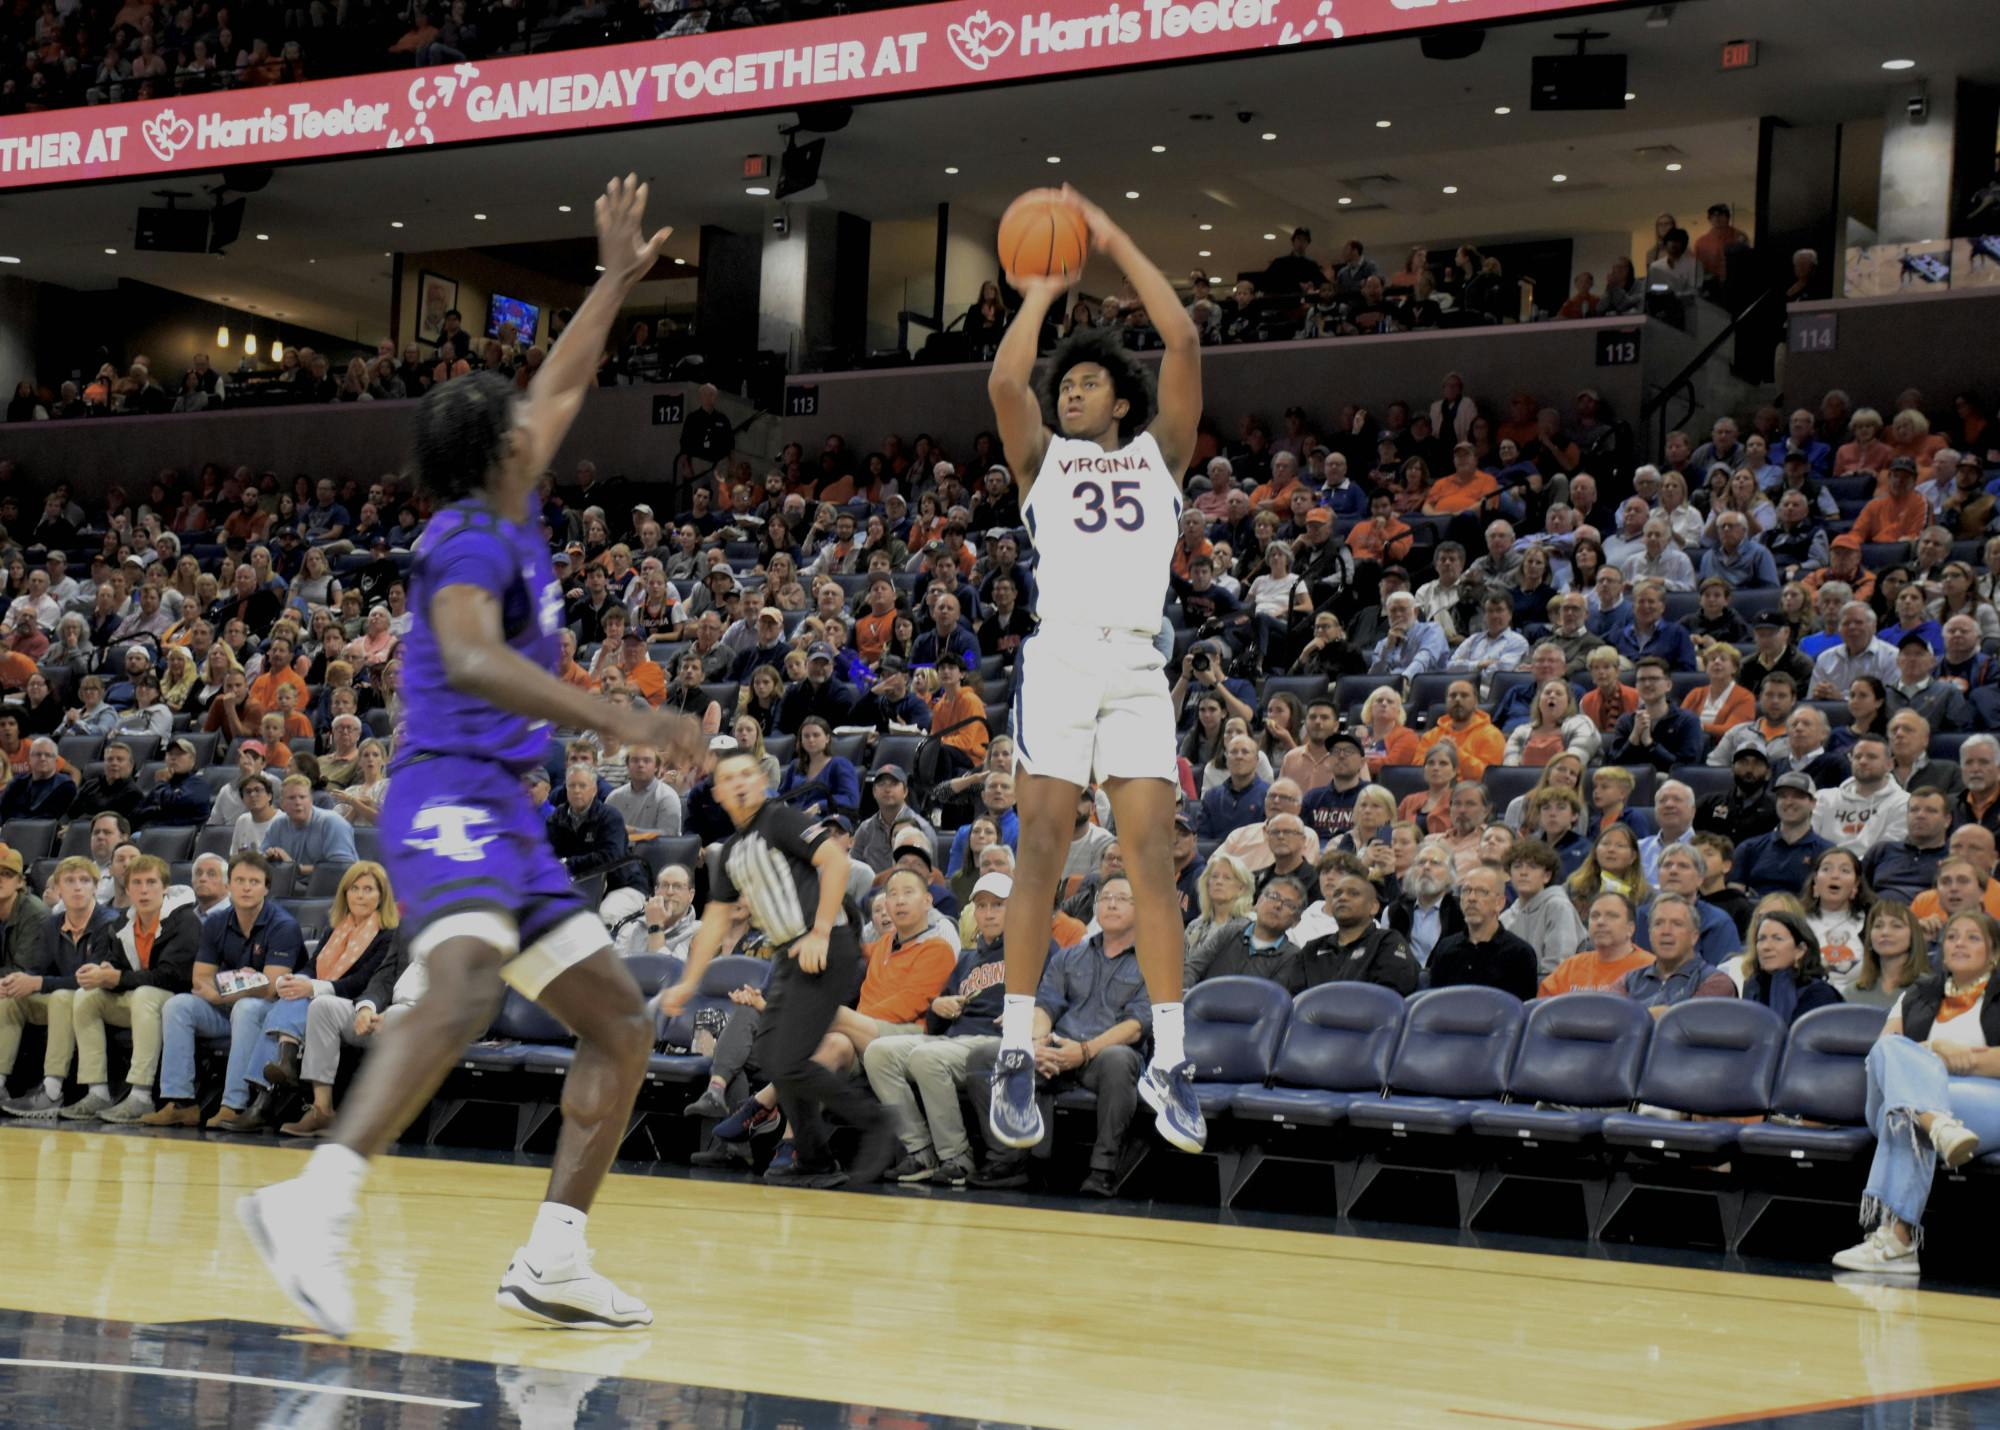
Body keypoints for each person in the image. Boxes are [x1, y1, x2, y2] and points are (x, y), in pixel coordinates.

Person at [238, 178, 704, 1338]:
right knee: (460, 981)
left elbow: (566, 378)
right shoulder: (462, 535)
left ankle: (553, 1256)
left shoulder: (510, 495)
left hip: (505, 807)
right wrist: (622, 718)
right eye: (521, 424)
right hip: (448, 789)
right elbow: (471, 655)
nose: (542, 425)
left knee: (620, 1020)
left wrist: (614, 279)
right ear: (499, 450)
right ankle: (318, 1200)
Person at [977, 187, 1206, 1155]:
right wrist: (1038, 290)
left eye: (1084, 381)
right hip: (1064, 648)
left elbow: (1184, 340)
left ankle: (1171, 1057)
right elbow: (1001, 385)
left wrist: (1114, 240)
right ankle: (1011, 1049)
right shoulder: (1041, 463)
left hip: (1134, 656)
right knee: (1040, 844)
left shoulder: (1160, 455)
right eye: (1062, 380)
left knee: (1148, 853)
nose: (1068, 389)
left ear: (1120, 398)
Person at [660, 749, 893, 1188]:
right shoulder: (728, 852)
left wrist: (821, 931)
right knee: (773, 1058)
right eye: (731, 778)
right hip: (788, 954)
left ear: (763, 782)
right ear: (718, 793)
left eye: (749, 773)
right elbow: (714, 920)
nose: (742, 782)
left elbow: (836, 861)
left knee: (786, 1059)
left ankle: (876, 1123)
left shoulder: (781, 819)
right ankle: (813, 1159)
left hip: (829, 945)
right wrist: (688, 982)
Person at [1832, 909, 2000, 1274]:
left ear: (1994, 952)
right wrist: (1939, 1050)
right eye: (1953, 936)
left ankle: (1897, 1241)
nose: (1959, 943)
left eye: (1973, 938)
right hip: (1930, 1107)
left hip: (1986, 1103)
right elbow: (1883, 1053)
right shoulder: (1917, 993)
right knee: (1888, 1050)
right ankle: (1934, 1120)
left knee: (1903, 1117)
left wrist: (1943, 1058)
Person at [64, 853, 198, 1123]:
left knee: (145, 995)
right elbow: (114, 963)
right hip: (138, 1001)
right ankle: (97, 1091)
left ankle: (141, 1094)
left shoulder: (185, 922)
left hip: (175, 1003)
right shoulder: (122, 922)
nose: (144, 890)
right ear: (127, 889)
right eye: (137, 883)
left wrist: (117, 979)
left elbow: (172, 977)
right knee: (85, 996)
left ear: (165, 888)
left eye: (151, 882)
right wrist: (101, 972)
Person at [1428, 865, 1537, 999]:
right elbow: (1435, 1005)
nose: (1472, 898)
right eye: (1466, 890)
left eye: (1482, 892)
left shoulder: (1520, 954)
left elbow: (1520, 1012)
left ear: (1500, 903)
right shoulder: (1445, 948)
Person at [1620, 893, 1736, 1013]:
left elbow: (1686, 1022)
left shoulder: (1715, 981)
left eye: (1677, 924)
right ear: (1650, 934)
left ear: (1694, 936)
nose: (1666, 931)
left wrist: (1633, 1016)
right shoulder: (1630, 979)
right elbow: (1610, 1015)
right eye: (1658, 923)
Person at [1740, 907, 1843, 1025]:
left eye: (1777, 938)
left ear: (1800, 950)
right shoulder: (1753, 987)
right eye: (1761, 939)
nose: (1765, 947)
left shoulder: (1819, 994)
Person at [1539, 891, 1654, 996]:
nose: (1600, 922)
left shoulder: (1649, 967)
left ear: (1630, 928)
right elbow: (1542, 1011)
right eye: (1595, 916)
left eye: (1611, 916)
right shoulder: (1570, 967)